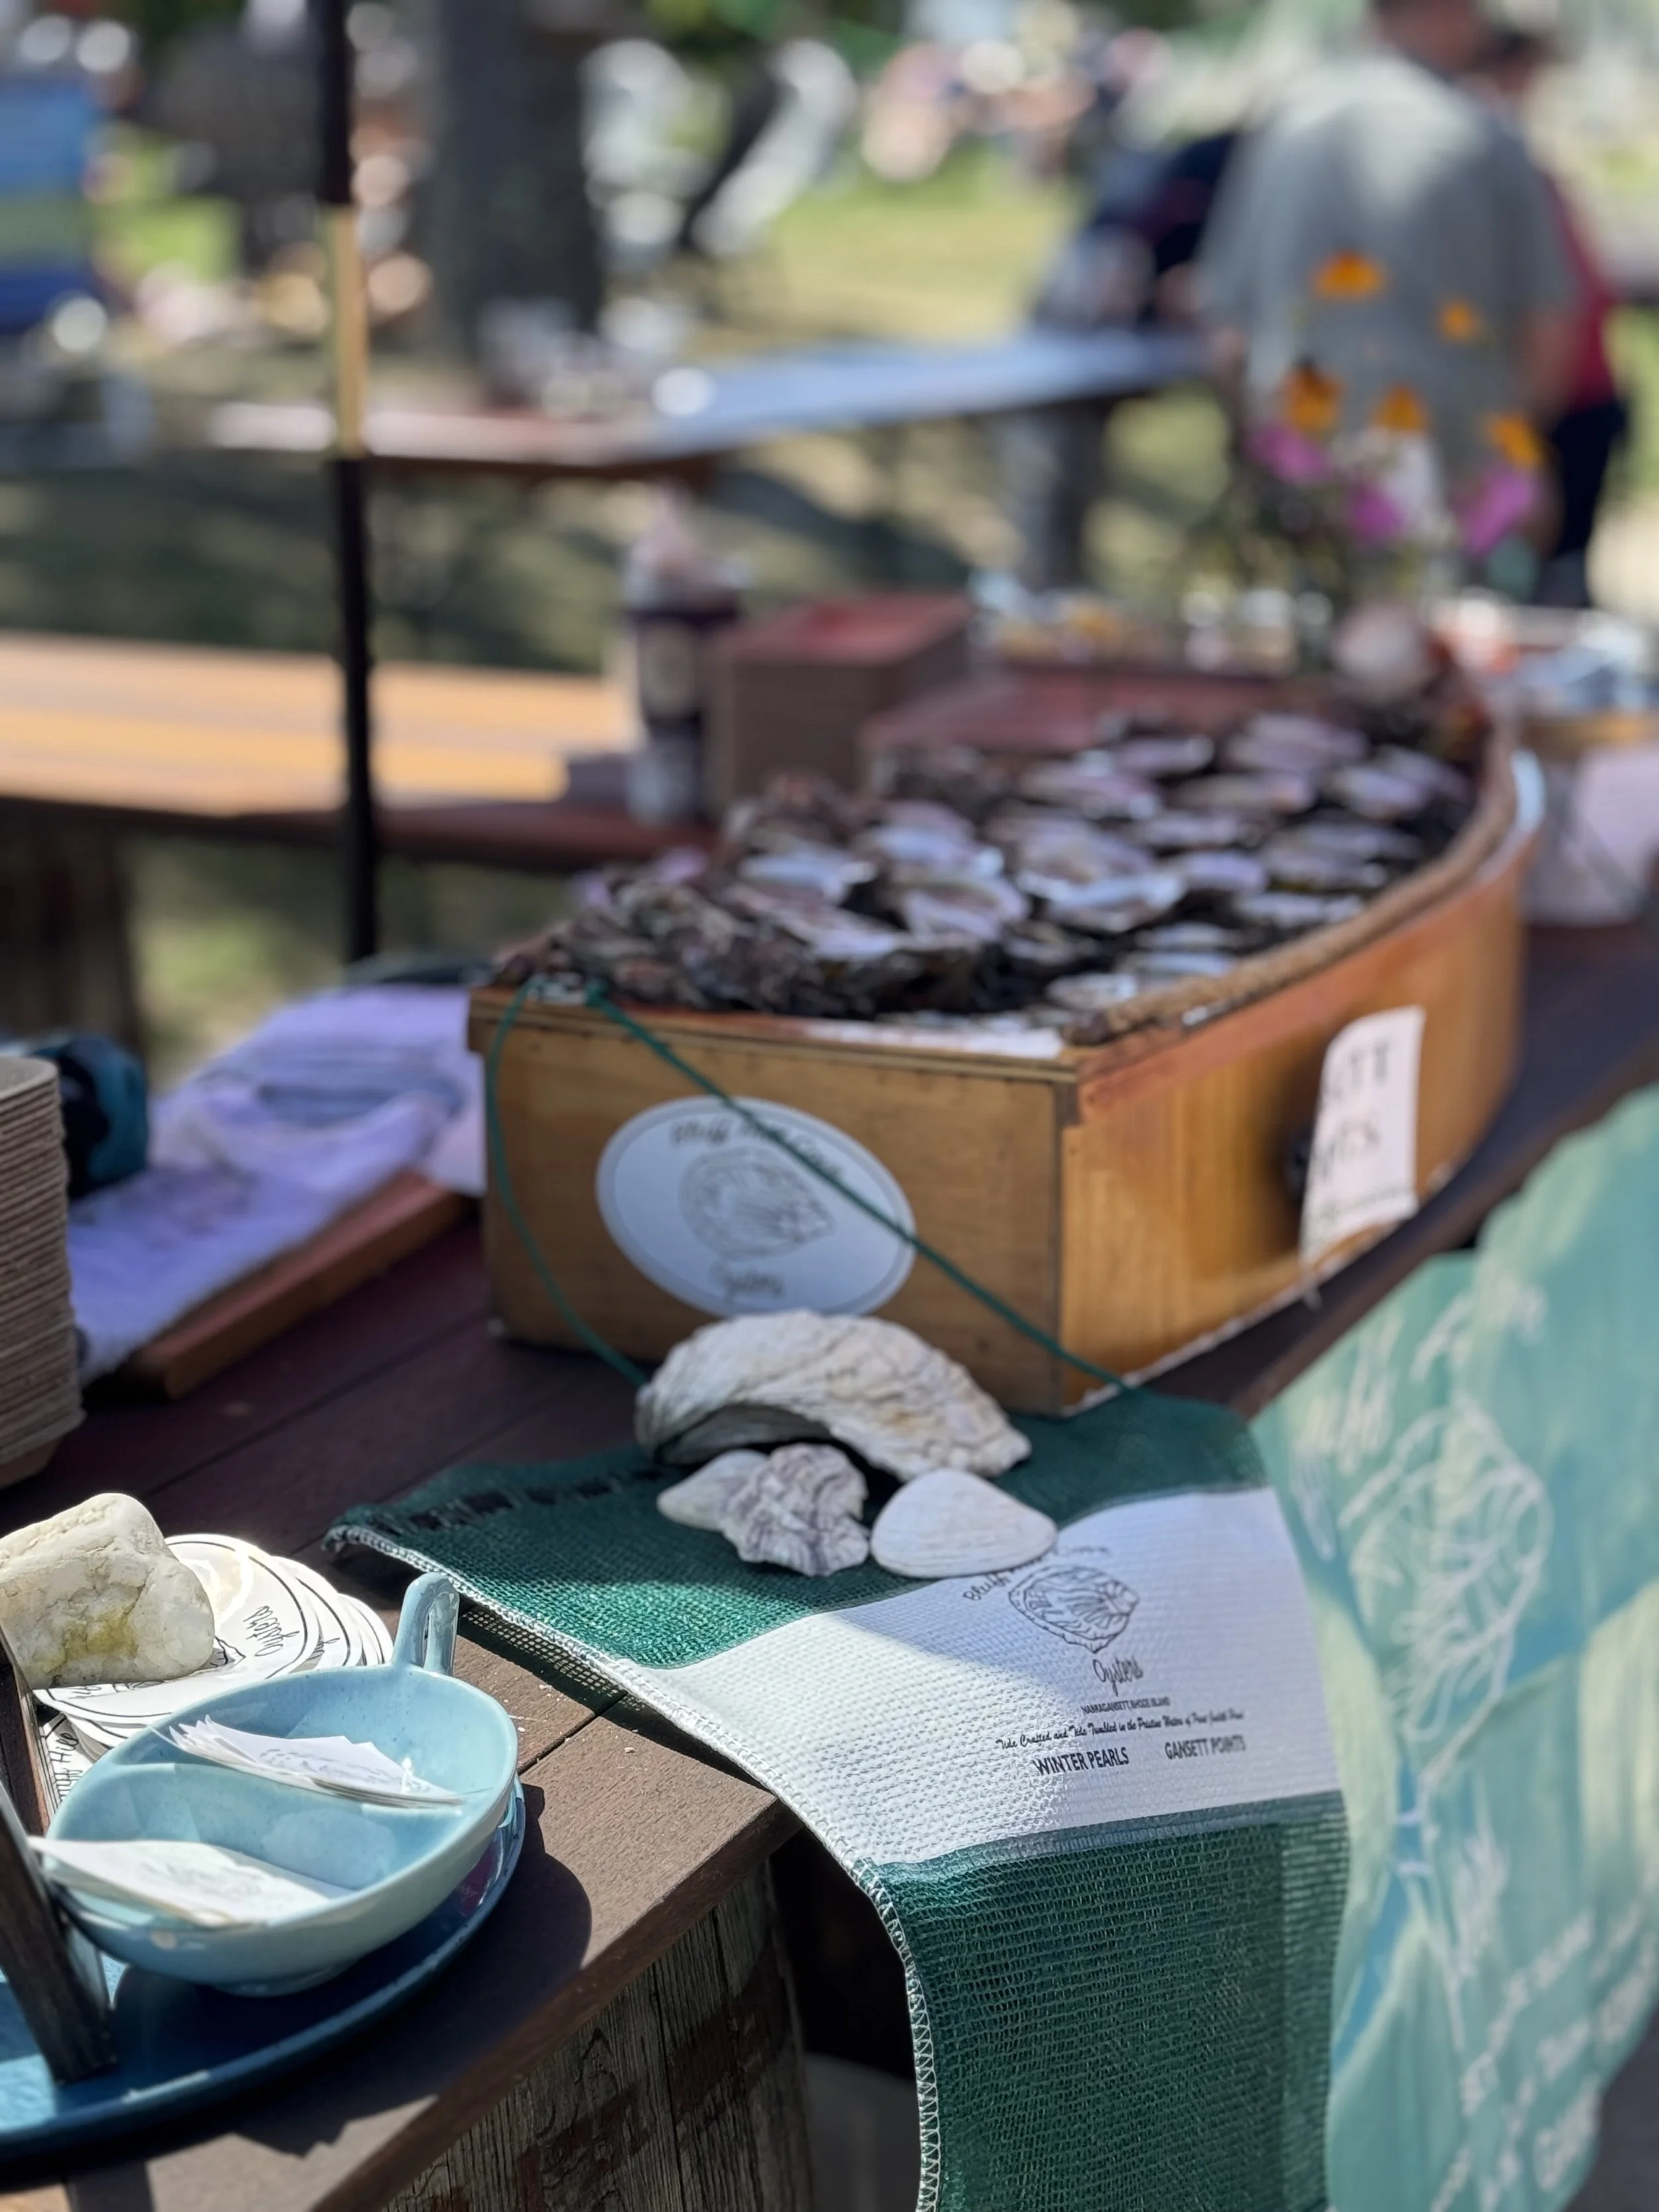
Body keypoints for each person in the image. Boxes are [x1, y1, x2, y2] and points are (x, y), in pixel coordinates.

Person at [1198, 0, 1577, 570]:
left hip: (1301, 458)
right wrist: (1518, 460)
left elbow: (1224, 329)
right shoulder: (1486, 137)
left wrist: (1255, 449)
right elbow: (1549, 333)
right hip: (1459, 474)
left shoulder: (1287, 127)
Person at [1473, 27, 1628, 605]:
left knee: (1563, 572)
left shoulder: (1517, 159)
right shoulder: (1483, 156)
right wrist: (1523, 435)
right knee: (1530, 581)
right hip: (1539, 406)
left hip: (1581, 391)